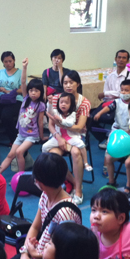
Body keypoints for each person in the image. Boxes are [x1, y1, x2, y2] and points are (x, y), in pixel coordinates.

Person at [5, 153, 82, 259]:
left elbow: (64, 254)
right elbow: (35, 227)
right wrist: (25, 252)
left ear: (39, 181)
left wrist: (37, 255)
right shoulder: (46, 195)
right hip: (35, 253)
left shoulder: (66, 213)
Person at [47, 70, 92, 205]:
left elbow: (79, 127)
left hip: (75, 135)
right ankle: (74, 182)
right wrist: (58, 137)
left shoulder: (84, 103)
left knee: (76, 152)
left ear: (78, 84)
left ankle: (78, 191)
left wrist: (62, 125)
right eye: (65, 83)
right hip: (58, 135)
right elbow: (51, 125)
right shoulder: (56, 98)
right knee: (53, 155)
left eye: (71, 82)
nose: (68, 85)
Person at [0, 62, 47, 174]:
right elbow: (23, 81)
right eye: (31, 90)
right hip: (21, 134)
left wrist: (41, 137)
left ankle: (20, 176)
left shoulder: (41, 105)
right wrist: (24, 67)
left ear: (41, 92)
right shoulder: (25, 98)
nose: (33, 93)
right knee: (10, 155)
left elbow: (40, 122)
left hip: (32, 136)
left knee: (19, 152)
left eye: (36, 91)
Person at [94, 79, 130, 190]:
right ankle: (111, 180)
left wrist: (129, 131)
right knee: (108, 154)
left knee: (128, 160)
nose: (123, 92)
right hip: (117, 131)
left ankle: (129, 184)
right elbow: (108, 107)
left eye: (126, 90)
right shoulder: (117, 102)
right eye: (122, 90)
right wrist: (99, 113)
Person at [102, 95, 130, 194]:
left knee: (128, 162)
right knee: (108, 158)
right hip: (127, 147)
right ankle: (112, 182)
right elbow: (129, 132)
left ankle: (129, 185)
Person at [92, 50, 130, 147]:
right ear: (115, 59)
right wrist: (108, 96)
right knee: (90, 118)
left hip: (122, 103)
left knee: (117, 116)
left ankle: (117, 138)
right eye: (119, 57)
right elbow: (106, 95)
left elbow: (123, 93)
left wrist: (107, 94)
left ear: (128, 61)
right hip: (109, 103)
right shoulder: (110, 76)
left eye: (124, 58)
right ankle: (104, 138)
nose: (121, 60)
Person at [43, 92, 92, 172]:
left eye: (66, 103)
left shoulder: (72, 114)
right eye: (61, 102)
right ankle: (44, 163)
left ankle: (86, 163)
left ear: (71, 105)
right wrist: (50, 103)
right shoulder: (57, 112)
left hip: (70, 137)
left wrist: (60, 121)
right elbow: (50, 111)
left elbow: (70, 123)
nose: (63, 104)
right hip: (58, 138)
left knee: (81, 144)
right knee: (44, 147)